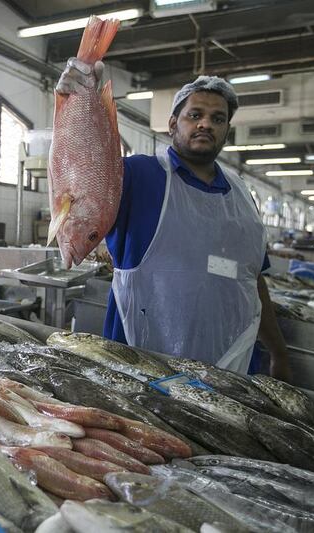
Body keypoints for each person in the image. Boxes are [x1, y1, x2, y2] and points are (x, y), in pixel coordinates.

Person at [56, 59, 291, 380]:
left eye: (217, 118)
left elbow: (252, 280)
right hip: (142, 364)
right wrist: (74, 101)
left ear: (227, 130)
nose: (206, 124)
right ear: (172, 124)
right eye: (195, 115)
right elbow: (79, 177)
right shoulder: (137, 175)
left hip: (233, 365)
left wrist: (278, 351)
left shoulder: (242, 196)